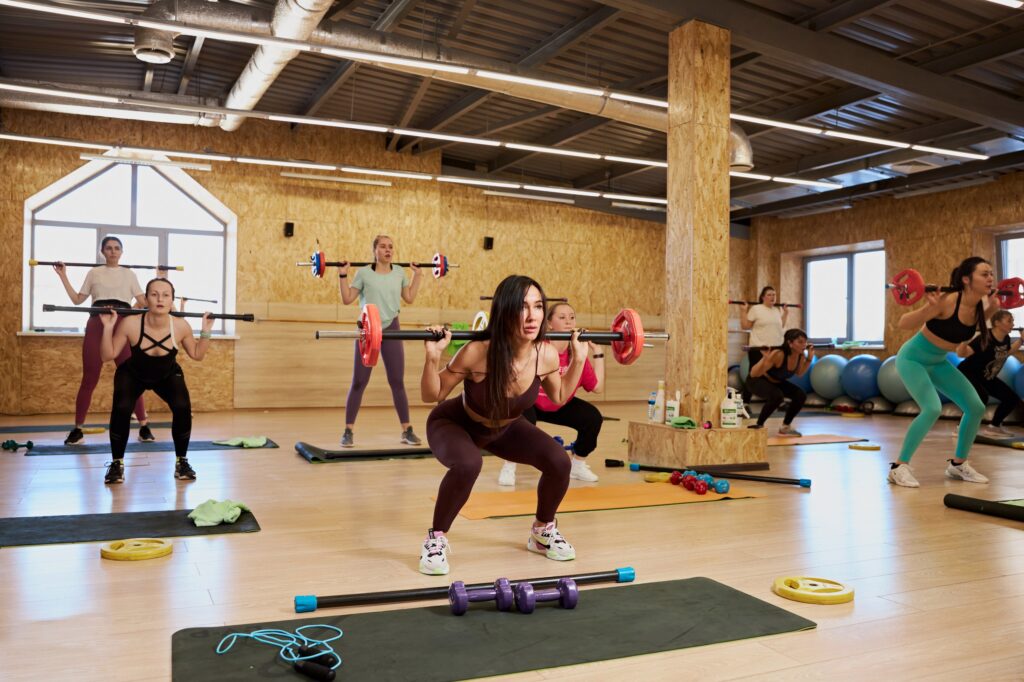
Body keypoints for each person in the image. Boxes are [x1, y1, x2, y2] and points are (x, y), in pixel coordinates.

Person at [418, 275, 585, 575]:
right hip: (456, 423)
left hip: (504, 429)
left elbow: (559, 396)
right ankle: (436, 539)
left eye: (538, 306)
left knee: (560, 462)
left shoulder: (545, 354)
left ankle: (541, 532)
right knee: (469, 464)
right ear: (505, 311)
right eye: (522, 307)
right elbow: (433, 394)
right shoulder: (477, 351)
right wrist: (432, 358)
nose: (532, 316)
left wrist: (579, 360)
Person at [889, 257, 994, 488]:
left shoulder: (981, 306)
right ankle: (898, 467)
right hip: (912, 359)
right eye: (984, 274)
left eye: (991, 274)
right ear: (966, 279)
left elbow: (965, 335)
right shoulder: (947, 301)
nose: (990, 278)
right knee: (932, 408)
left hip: (938, 362)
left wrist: (994, 307)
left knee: (976, 407)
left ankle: (958, 464)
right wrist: (930, 308)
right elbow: (904, 323)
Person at [99, 278, 212, 485]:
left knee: (182, 407)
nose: (160, 299)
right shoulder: (131, 323)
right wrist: (108, 327)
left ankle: (182, 461)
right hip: (133, 374)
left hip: (166, 374)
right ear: (146, 299)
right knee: (122, 408)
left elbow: (197, 354)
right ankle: (116, 463)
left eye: (165, 295)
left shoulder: (180, 326)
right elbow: (107, 355)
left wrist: (206, 330)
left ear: (172, 300)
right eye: (154, 294)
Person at [53, 236, 152, 445]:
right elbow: (77, 300)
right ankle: (77, 429)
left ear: (121, 252)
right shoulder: (94, 273)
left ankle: (144, 427)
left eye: (117, 248)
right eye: (109, 248)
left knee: (132, 377)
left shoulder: (129, 274)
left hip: (122, 325)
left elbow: (144, 302)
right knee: (89, 378)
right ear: (102, 251)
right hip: (97, 324)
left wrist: (160, 279)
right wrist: (63, 276)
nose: (113, 251)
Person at [498, 302, 604, 486]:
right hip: (531, 402)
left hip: (559, 402)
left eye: (572, 317)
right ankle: (509, 465)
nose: (568, 321)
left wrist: (598, 353)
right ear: (549, 324)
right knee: (523, 423)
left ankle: (578, 464)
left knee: (592, 418)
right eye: (562, 317)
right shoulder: (538, 347)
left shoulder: (577, 355)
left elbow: (597, 388)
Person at [338, 235, 423, 448]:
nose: (388, 250)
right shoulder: (364, 273)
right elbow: (347, 298)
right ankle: (348, 431)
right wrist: (342, 275)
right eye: (383, 246)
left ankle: (407, 430)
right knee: (359, 382)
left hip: (392, 327)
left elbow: (409, 297)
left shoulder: (399, 273)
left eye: (391, 247)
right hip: (368, 328)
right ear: (374, 250)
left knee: (397, 381)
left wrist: (418, 275)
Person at [956, 309, 1024, 438]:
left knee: (1011, 398)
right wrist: (963, 340)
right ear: (997, 323)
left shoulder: (1005, 338)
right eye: (1009, 321)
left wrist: (1021, 340)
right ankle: (962, 428)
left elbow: (1007, 353)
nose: (1013, 324)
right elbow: (962, 354)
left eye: (1013, 321)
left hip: (986, 376)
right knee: (981, 398)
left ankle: (994, 427)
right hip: (968, 373)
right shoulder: (984, 339)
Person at [746, 328, 813, 436]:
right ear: (790, 343)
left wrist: (809, 359)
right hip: (756, 380)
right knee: (777, 396)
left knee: (800, 395)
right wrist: (765, 359)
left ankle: (785, 427)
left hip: (776, 381)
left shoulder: (800, 355)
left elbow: (799, 373)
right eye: (800, 342)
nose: (804, 345)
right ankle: (759, 425)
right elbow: (754, 374)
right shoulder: (778, 354)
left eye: (805, 342)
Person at [738, 286, 789, 404]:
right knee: (754, 376)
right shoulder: (756, 309)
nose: (772, 297)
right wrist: (743, 310)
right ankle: (744, 402)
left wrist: (786, 313)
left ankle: (779, 400)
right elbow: (745, 326)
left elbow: (780, 326)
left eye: (774, 294)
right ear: (762, 297)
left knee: (775, 376)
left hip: (775, 349)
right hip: (758, 348)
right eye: (769, 295)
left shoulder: (777, 310)